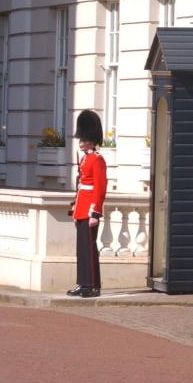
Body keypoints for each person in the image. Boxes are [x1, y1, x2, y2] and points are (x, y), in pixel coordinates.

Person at [67, 109, 107, 298]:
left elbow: (99, 188)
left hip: (90, 209)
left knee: (90, 249)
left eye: (84, 139)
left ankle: (93, 285)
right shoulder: (84, 159)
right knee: (81, 249)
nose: (81, 142)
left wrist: (95, 212)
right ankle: (82, 283)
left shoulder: (97, 160)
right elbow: (81, 186)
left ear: (91, 139)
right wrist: (75, 207)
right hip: (81, 208)